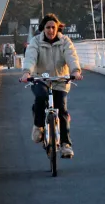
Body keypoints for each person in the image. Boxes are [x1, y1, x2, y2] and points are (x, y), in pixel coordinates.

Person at [19, 14, 83, 159]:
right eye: (48, 27)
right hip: (40, 78)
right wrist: (26, 72)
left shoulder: (65, 41)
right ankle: (38, 126)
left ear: (57, 28)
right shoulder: (36, 42)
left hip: (60, 79)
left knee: (62, 109)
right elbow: (30, 57)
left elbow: (71, 56)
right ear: (43, 28)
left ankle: (66, 145)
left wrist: (75, 71)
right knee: (41, 97)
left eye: (53, 27)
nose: (50, 30)